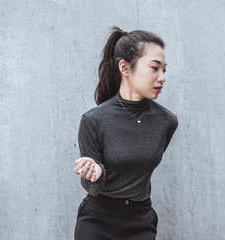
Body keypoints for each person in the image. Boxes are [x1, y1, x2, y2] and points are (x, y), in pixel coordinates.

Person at [73, 26, 178, 240]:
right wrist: (96, 173)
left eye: (164, 70)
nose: (162, 77)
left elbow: (139, 167)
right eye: (154, 68)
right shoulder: (93, 120)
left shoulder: (166, 121)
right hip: (98, 220)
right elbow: (91, 187)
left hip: (141, 220)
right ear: (125, 67)